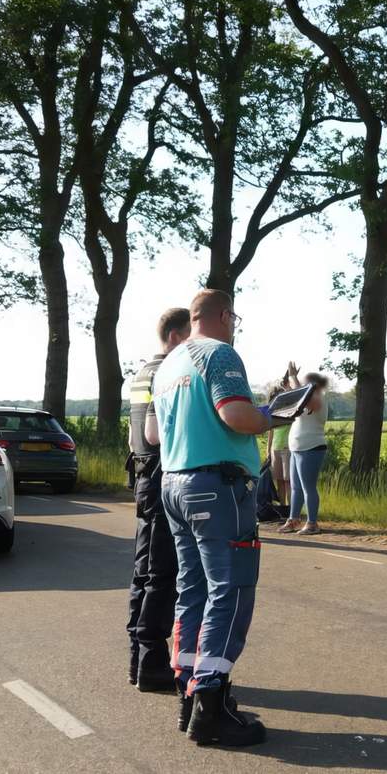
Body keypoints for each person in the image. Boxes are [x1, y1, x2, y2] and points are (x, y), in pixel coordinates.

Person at [145, 289, 286, 747]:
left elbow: (153, 434)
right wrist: (275, 416)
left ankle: (188, 691)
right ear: (224, 316)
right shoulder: (219, 353)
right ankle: (211, 703)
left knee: (193, 588)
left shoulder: (169, 364)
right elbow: (237, 416)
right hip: (218, 487)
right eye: (234, 317)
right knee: (231, 588)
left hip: (174, 484)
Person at [125, 308, 191, 692]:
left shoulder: (141, 372)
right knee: (162, 574)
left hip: (142, 475)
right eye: (188, 337)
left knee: (144, 572)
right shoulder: (167, 372)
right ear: (175, 337)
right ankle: (151, 662)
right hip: (161, 472)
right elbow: (156, 434)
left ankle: (138, 658)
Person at [279, 372, 330, 535]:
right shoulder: (306, 398)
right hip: (297, 448)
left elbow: (306, 399)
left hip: (311, 447)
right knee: (296, 488)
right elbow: (293, 403)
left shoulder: (318, 397)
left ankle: (312, 523)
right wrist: (288, 388)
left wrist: (294, 378)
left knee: (308, 488)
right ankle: (293, 519)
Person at [264, 386, 291, 506]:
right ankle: (283, 508)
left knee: (288, 481)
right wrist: (268, 449)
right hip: (275, 449)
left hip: (288, 448)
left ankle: (292, 510)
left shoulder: (290, 410)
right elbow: (271, 431)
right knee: (279, 481)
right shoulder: (272, 412)